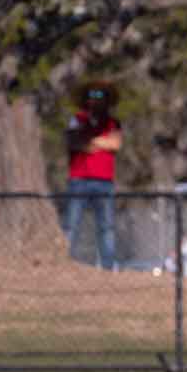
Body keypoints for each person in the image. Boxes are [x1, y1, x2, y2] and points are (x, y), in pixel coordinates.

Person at [64, 81, 121, 270]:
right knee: (72, 224)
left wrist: (91, 141)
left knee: (107, 227)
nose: (96, 100)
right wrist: (100, 142)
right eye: (92, 96)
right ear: (86, 99)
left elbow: (115, 144)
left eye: (100, 96)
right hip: (79, 180)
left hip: (104, 181)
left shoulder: (112, 123)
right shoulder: (77, 119)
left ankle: (107, 267)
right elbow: (75, 142)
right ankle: (65, 263)